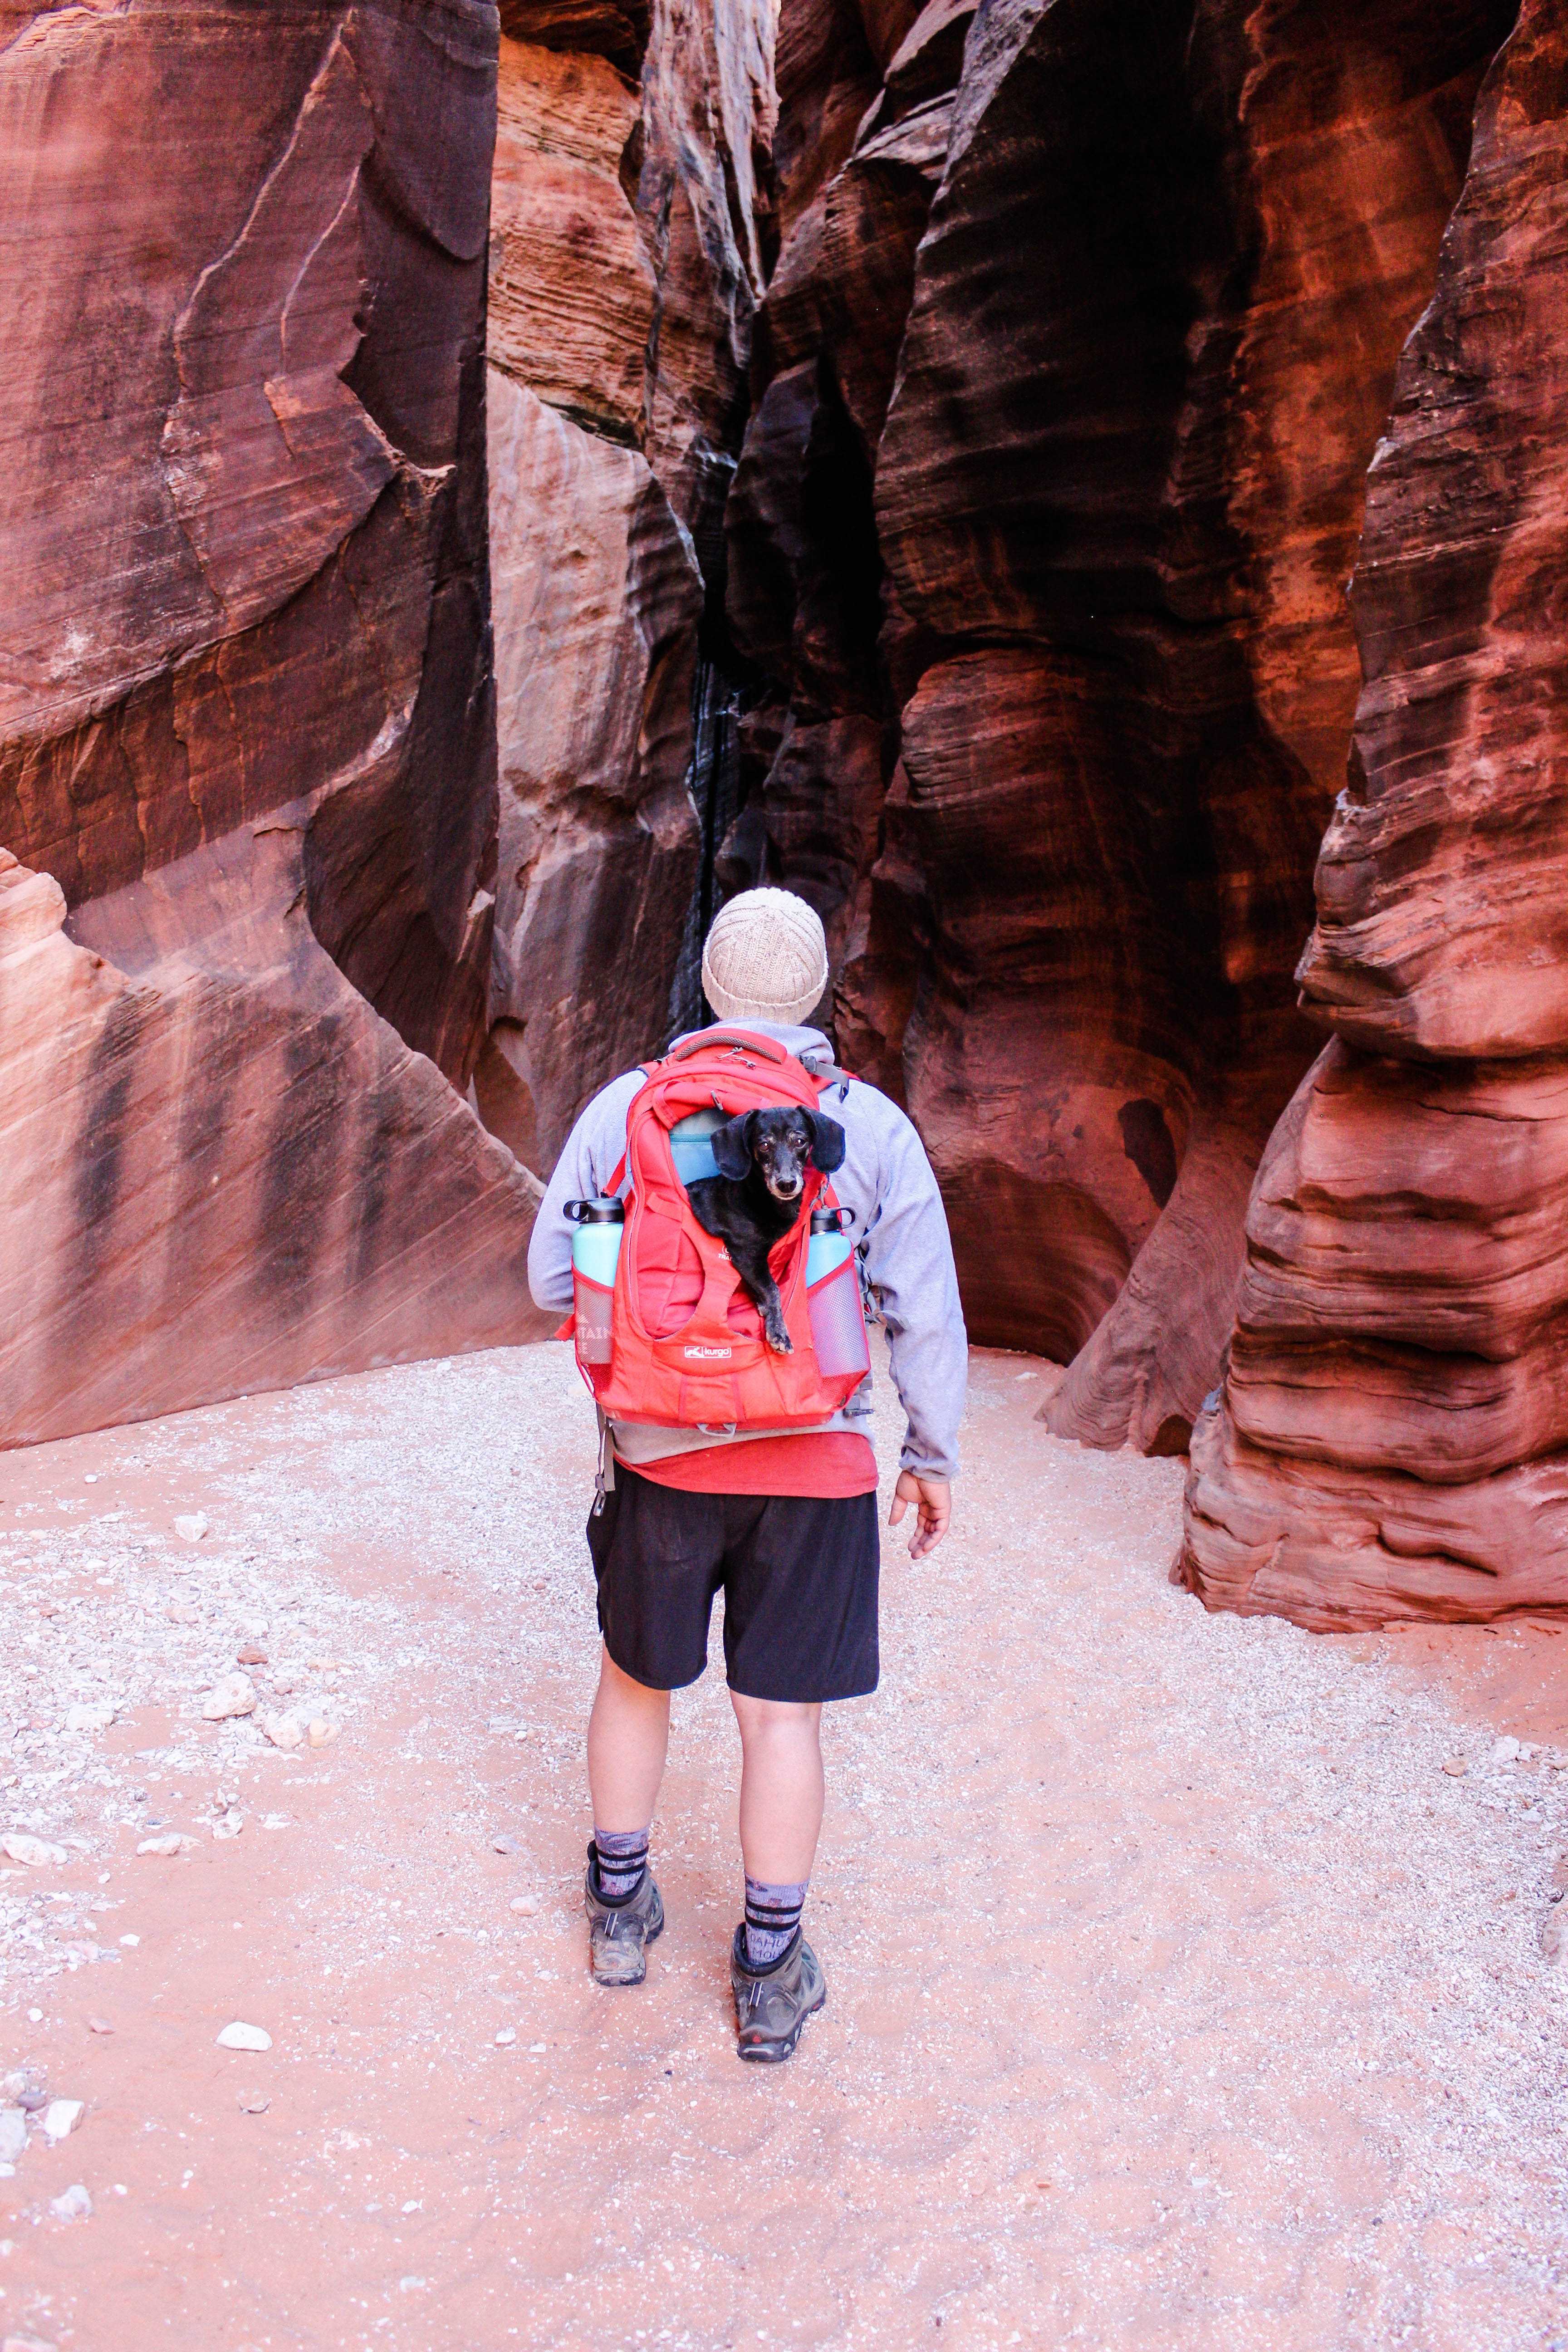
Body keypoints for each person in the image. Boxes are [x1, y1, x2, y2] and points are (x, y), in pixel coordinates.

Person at [527, 887, 966, 2062]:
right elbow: (920, 1310)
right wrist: (929, 1456)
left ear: (710, 988)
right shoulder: (863, 1126)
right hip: (813, 1469)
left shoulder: (628, 1108)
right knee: (780, 1721)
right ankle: (768, 1979)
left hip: (657, 1460)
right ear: (815, 994)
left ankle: (621, 1918)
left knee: (637, 1678)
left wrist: (664, 1352)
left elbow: (552, 1279)